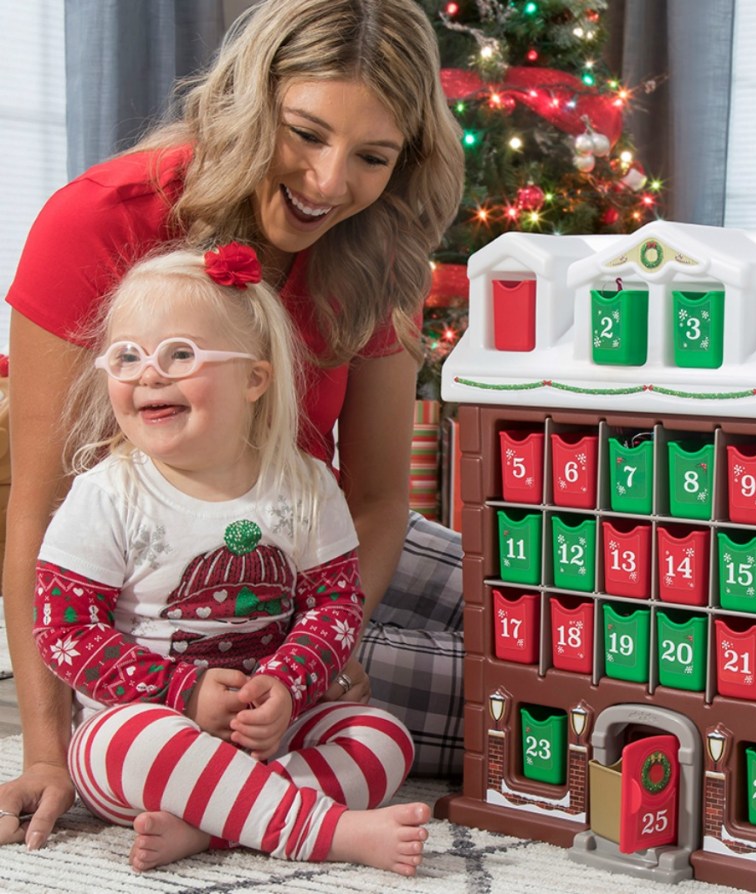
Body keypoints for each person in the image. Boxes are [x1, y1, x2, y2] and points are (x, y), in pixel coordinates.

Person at [0, 0, 465, 852]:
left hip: (318, 542)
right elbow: (40, 504)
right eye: (306, 134)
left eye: (372, 157)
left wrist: (322, 646)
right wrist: (44, 748)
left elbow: (375, 499)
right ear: (250, 101)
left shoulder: (382, 250)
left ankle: (218, 808)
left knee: (553, 604)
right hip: (164, 577)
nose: (330, 182)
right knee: (508, 691)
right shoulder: (99, 219)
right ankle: (293, 816)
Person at [32, 242, 430, 874]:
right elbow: (63, 630)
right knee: (124, 744)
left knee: (382, 740)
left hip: (267, 730)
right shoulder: (107, 493)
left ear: (253, 379)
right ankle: (325, 832)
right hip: (151, 731)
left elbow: (334, 607)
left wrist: (288, 687)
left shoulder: (307, 486)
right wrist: (180, 692)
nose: (147, 375)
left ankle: (211, 830)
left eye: (179, 356)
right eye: (127, 357)